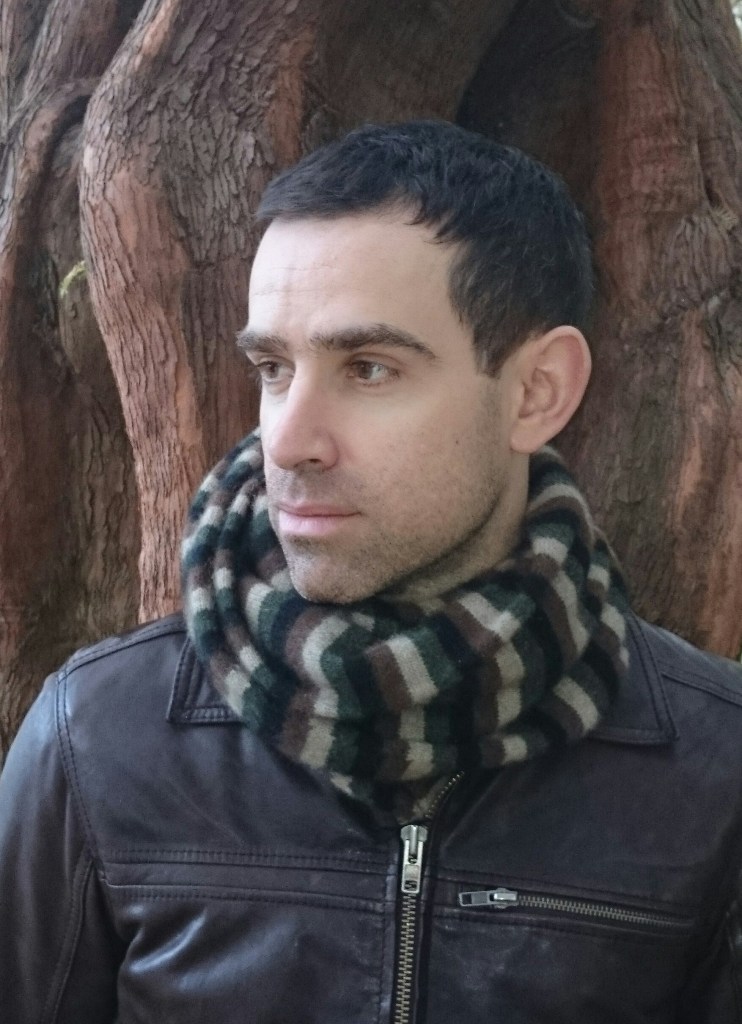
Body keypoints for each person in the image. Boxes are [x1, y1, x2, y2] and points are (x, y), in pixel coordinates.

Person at [1, 120, 741, 1024]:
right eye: (273, 367)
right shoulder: (95, 738)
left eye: (369, 368)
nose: (288, 441)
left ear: (537, 391)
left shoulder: (715, 771)